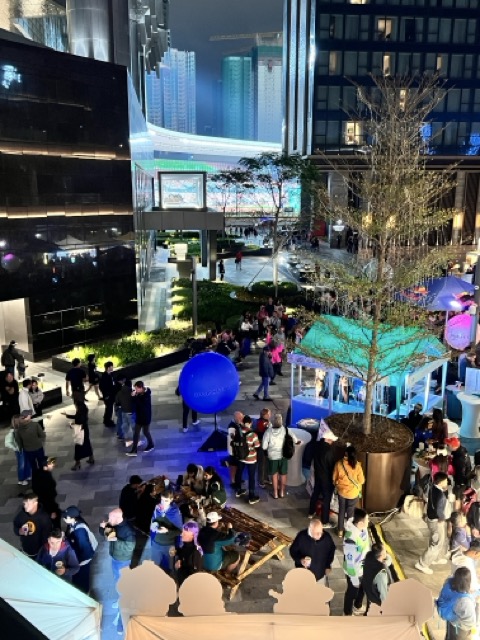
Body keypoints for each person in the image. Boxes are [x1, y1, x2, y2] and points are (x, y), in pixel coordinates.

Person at [99, 508, 136, 606]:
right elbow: (107, 534)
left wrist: (116, 540)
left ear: (117, 517)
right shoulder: (114, 524)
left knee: (121, 581)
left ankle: (124, 601)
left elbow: (129, 547)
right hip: (115, 556)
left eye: (110, 518)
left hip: (122, 560)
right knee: (118, 579)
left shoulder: (128, 531)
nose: (109, 520)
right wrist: (102, 528)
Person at [415, 471, 450, 575]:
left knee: (436, 539)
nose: (447, 482)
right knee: (437, 543)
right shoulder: (440, 495)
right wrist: (442, 518)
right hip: (436, 521)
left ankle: (436, 558)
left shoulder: (432, 488)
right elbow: (439, 510)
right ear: (441, 482)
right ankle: (422, 564)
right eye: (445, 481)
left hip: (430, 518)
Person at [262, 413, 299, 499]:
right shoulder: (285, 430)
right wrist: (297, 442)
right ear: (281, 421)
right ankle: (282, 492)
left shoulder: (268, 432)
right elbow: (295, 439)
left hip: (272, 457)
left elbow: (264, 447)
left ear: (273, 421)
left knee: (274, 475)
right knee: (283, 474)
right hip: (283, 456)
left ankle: (275, 493)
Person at [289, 518, 336, 584]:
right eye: (316, 533)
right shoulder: (301, 537)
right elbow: (293, 551)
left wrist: (327, 565)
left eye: (321, 532)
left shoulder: (326, 537)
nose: (319, 535)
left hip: (320, 575)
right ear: (310, 530)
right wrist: (301, 560)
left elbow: (331, 550)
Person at [63, 505, 97, 593]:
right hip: (78, 556)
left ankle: (85, 593)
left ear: (72, 518)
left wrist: (77, 563)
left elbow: (86, 551)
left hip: (82, 560)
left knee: (81, 579)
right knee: (77, 577)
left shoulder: (80, 531)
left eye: (65, 517)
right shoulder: (74, 524)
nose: (64, 518)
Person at [333, 445, 365, 538]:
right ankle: (348, 533)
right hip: (353, 494)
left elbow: (334, 478)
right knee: (350, 514)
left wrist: (338, 484)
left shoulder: (339, 464)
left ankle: (340, 531)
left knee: (341, 511)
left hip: (342, 492)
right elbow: (362, 481)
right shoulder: (357, 466)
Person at [343, 509, 370, 616]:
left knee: (362, 588)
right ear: (360, 523)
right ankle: (347, 613)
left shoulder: (363, 529)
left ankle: (357, 605)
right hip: (353, 571)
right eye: (367, 519)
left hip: (363, 567)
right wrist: (354, 578)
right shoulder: (350, 538)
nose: (369, 521)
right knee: (352, 592)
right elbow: (350, 561)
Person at [308, 429, 338, 524]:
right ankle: (325, 521)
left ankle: (311, 512)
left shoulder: (317, 446)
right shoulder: (329, 451)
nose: (332, 442)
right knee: (326, 499)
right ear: (328, 439)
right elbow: (331, 466)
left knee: (315, 493)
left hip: (318, 474)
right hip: (326, 478)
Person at [438, 567, 476, 640]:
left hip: (450, 618)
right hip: (460, 627)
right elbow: (469, 622)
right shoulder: (465, 601)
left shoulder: (448, 583)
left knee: (449, 636)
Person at [150, 490, 183, 572]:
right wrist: (154, 525)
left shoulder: (175, 512)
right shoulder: (157, 508)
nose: (163, 503)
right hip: (156, 543)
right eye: (162, 500)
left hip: (169, 545)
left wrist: (167, 531)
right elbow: (153, 521)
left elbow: (179, 531)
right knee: (154, 567)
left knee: (172, 567)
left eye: (166, 501)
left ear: (171, 500)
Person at [13, 491, 52, 557]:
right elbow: (16, 525)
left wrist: (44, 552)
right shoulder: (21, 515)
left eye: (28, 504)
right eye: (24, 504)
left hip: (39, 553)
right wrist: (19, 531)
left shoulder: (44, 518)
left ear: (35, 503)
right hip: (25, 549)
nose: (25, 506)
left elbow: (46, 537)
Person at [233, 415, 261, 505]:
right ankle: (251, 496)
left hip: (241, 457)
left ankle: (238, 490)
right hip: (251, 459)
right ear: (250, 423)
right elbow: (257, 446)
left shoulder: (238, 431)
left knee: (239, 473)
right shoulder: (253, 434)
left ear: (243, 422)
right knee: (251, 477)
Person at [63, 399, 94, 470]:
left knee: (78, 447)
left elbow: (79, 423)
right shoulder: (83, 411)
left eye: (75, 406)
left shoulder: (80, 413)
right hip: (85, 430)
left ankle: (77, 463)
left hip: (80, 431)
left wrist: (72, 425)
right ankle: (91, 458)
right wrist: (67, 415)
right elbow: (76, 417)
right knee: (87, 443)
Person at [361, 543, 393, 613]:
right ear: (381, 555)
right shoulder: (381, 573)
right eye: (385, 551)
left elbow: (387, 560)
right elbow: (383, 594)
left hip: (369, 590)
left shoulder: (369, 556)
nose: (386, 552)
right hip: (376, 599)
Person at [126, 381, 155, 456]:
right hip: (141, 417)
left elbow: (139, 404)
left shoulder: (145, 396)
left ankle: (149, 445)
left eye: (136, 388)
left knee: (143, 432)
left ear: (141, 388)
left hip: (144, 417)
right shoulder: (141, 394)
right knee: (140, 433)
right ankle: (136, 449)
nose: (135, 390)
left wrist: (134, 397)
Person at [32, 456, 60, 527]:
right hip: (48, 505)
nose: (53, 465)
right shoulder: (46, 478)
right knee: (54, 521)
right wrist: (52, 511)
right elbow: (48, 496)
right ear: (45, 466)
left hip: (41, 503)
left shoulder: (37, 473)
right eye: (51, 463)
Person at [173, 521, 203, 586]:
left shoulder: (195, 552)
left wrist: (179, 567)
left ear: (192, 535)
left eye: (184, 533)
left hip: (187, 585)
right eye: (182, 532)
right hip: (181, 580)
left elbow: (194, 575)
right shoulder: (186, 545)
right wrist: (177, 551)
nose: (181, 535)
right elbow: (184, 554)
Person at [5, 414, 32, 485]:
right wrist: (15, 448)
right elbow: (7, 443)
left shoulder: (23, 428)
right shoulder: (12, 432)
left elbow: (34, 420)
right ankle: (21, 480)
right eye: (22, 419)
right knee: (22, 464)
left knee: (28, 462)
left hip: (26, 448)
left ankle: (27, 475)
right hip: (20, 451)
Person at [115, 378, 134, 445]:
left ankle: (122, 436)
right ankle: (136, 438)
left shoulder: (120, 392)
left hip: (122, 410)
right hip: (130, 411)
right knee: (133, 425)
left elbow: (117, 402)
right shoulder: (132, 392)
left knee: (122, 423)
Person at [255, 407, 271, 488]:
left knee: (266, 462)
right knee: (262, 463)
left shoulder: (266, 422)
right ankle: (260, 481)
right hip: (262, 445)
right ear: (264, 415)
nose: (269, 415)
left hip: (266, 445)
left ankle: (266, 478)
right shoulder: (261, 423)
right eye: (268, 413)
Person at [99, 361, 116, 428]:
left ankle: (106, 419)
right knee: (109, 408)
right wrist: (106, 395)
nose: (112, 367)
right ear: (108, 367)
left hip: (110, 394)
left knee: (109, 408)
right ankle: (107, 421)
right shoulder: (105, 376)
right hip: (108, 396)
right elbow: (102, 387)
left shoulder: (109, 374)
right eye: (112, 366)